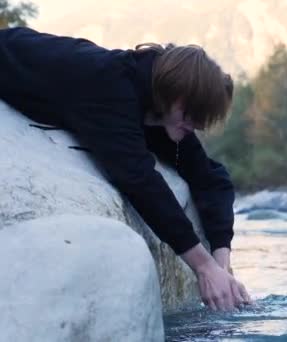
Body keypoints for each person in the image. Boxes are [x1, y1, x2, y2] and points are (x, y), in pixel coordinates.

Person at [0, 27, 251, 312]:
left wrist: (222, 263)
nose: (194, 128)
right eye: (191, 119)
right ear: (178, 96)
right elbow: (137, 179)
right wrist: (203, 267)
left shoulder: (164, 108)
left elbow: (212, 179)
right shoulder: (110, 86)